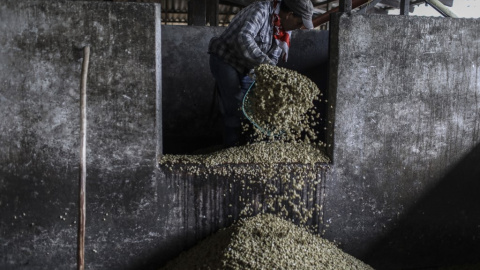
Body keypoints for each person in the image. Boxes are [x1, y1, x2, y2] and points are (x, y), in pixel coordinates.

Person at [208, 0, 314, 148]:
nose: (299, 27)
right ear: (289, 15)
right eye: (299, 23)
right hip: (226, 58)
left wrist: (272, 79)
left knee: (252, 104)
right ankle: (231, 148)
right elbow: (243, 38)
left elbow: (274, 58)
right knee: (235, 105)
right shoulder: (261, 10)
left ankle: (249, 147)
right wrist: (269, 67)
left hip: (248, 67)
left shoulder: (283, 30)